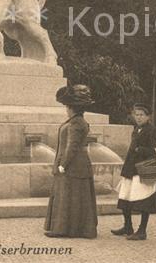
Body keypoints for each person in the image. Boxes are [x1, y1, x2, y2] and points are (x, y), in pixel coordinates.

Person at [44, 84, 98, 239]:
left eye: (67, 106)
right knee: (72, 196)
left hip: (73, 166)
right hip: (77, 165)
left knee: (68, 196)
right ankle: (72, 228)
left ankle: (64, 229)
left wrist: (63, 164)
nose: (66, 109)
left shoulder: (76, 123)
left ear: (72, 108)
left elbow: (71, 147)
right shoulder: (77, 121)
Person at [112, 104, 156, 241]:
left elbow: (154, 151)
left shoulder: (151, 130)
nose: (139, 117)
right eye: (137, 114)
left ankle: (142, 230)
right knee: (125, 197)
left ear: (148, 116)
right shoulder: (136, 129)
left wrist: (139, 150)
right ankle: (128, 226)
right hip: (130, 169)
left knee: (144, 199)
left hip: (142, 170)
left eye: (141, 115)